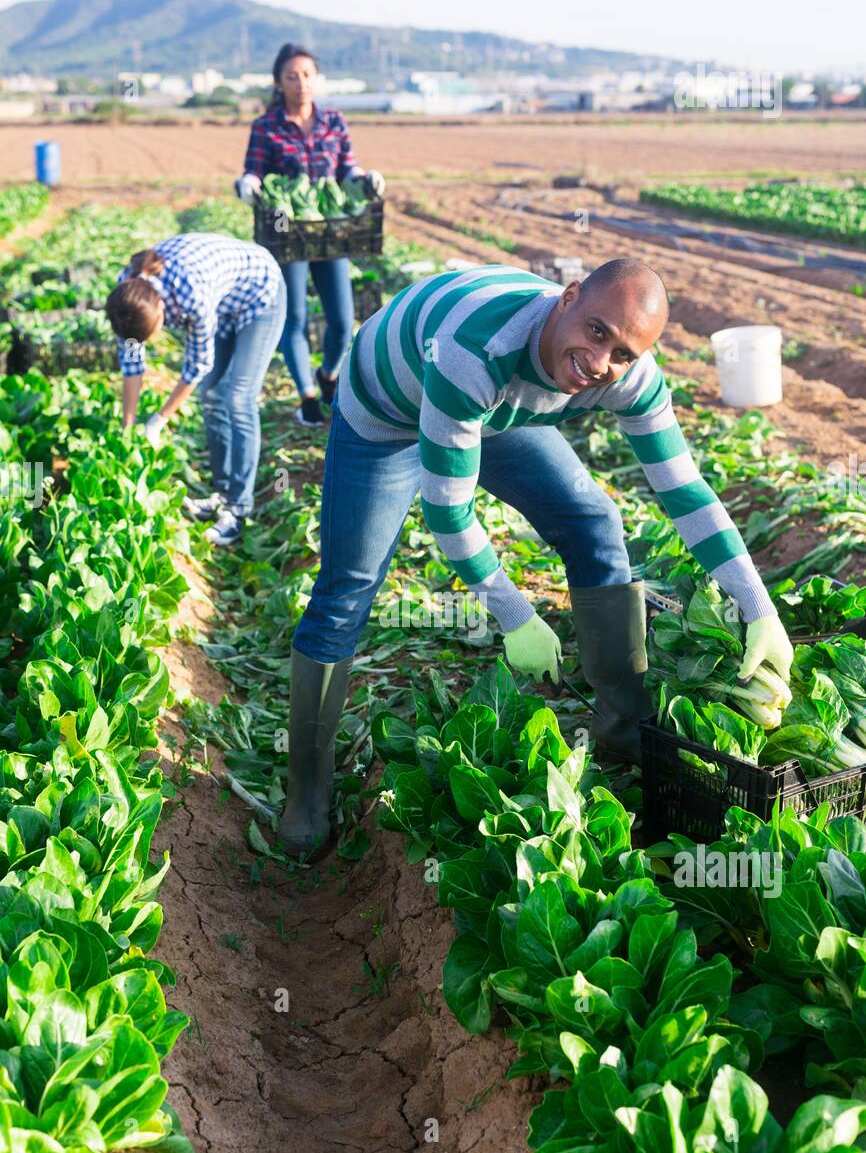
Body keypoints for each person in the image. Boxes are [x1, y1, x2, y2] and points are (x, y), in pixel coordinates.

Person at [275, 257, 794, 857]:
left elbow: (684, 490)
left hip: (488, 411)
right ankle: (306, 790)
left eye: (623, 353)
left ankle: (623, 736)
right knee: (349, 588)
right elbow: (447, 509)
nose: (602, 362)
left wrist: (759, 605)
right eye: (597, 331)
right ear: (568, 297)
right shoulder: (477, 348)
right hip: (388, 410)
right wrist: (513, 612)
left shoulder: (627, 375)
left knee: (594, 521)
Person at [237, 43, 386, 428]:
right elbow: (254, 170)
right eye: (291, 76)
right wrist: (248, 184)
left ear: (316, 79)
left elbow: (347, 169)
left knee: (342, 318)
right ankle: (307, 397)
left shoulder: (333, 121)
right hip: (287, 234)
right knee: (295, 319)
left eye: (306, 75)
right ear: (279, 82)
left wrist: (365, 179)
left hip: (330, 232)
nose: (300, 83)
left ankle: (329, 376)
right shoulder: (266, 126)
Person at [106, 232, 286, 546]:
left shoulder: (191, 293)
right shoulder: (128, 294)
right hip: (225, 300)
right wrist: (128, 426)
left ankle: (238, 508)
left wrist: (159, 420)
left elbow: (197, 366)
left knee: (238, 397)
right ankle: (222, 491)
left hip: (260, 295)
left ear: (161, 308)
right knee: (212, 397)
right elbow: (132, 361)